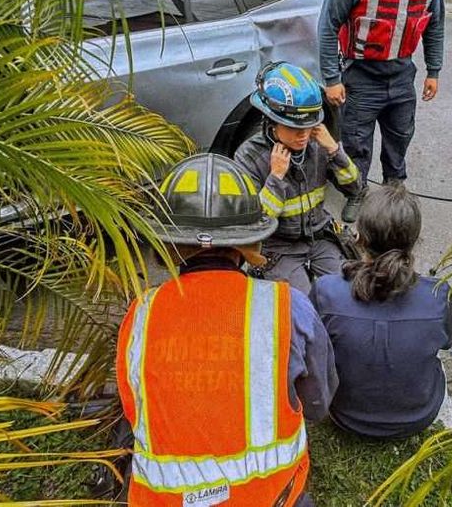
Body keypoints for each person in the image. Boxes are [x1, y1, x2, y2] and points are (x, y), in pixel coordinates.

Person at [115, 153, 338, 505]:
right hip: (273, 497)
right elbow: (318, 401)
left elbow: (135, 410)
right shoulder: (287, 308)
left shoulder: (141, 315)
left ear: (167, 244)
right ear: (249, 241)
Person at [309, 184, 452, 439]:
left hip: (346, 415)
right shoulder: (438, 294)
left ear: (360, 238)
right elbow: (448, 341)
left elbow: (312, 350)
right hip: (418, 416)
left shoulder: (326, 290)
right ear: (414, 241)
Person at [319, 0, 446, 223]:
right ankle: (356, 190)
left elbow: (435, 24)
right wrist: (331, 79)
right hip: (361, 74)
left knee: (400, 137)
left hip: (402, 73)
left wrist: (433, 71)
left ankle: (394, 190)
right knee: (356, 141)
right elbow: (328, 24)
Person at [234, 61, 362, 294]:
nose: (304, 135)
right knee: (300, 302)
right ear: (272, 122)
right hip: (278, 248)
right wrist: (276, 177)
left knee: (352, 291)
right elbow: (255, 225)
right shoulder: (249, 157)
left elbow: (354, 188)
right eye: (295, 128)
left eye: (309, 125)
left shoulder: (319, 143)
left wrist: (334, 150)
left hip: (320, 237)